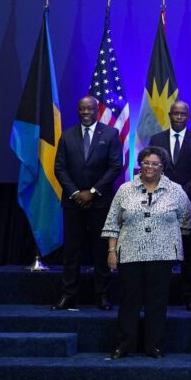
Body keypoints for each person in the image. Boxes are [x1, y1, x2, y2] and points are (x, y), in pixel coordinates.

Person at [101, 146, 191, 359]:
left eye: (155, 164)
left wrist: (167, 235)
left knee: (157, 302)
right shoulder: (125, 189)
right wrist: (112, 251)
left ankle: (154, 346)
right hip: (130, 252)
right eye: (146, 163)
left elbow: (186, 217)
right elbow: (113, 221)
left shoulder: (176, 190)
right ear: (139, 165)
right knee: (129, 301)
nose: (150, 167)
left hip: (162, 254)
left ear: (163, 167)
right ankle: (124, 345)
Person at [53, 96, 124, 311]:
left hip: (100, 203)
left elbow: (115, 166)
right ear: (78, 110)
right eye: (82, 108)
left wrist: (92, 192)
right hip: (73, 202)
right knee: (71, 252)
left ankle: (101, 295)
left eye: (89, 108)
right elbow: (59, 168)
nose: (85, 111)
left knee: (100, 250)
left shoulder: (110, 133)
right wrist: (76, 193)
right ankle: (68, 295)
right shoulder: (67, 135)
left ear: (96, 110)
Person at [149, 100, 191, 312]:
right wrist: (167, 192)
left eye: (183, 114)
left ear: (188, 116)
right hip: (160, 205)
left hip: (188, 205)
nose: (179, 117)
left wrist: (181, 192)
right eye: (175, 113)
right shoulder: (156, 139)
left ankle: (190, 296)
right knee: (160, 254)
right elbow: (151, 170)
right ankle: (157, 297)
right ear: (170, 115)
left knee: (188, 255)